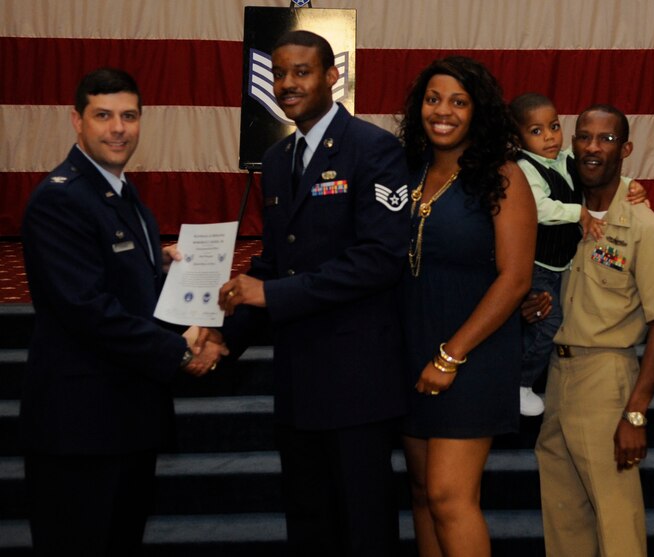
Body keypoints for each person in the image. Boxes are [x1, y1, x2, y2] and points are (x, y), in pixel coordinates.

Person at [216, 30, 409, 556]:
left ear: (332, 76)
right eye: (278, 73)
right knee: (309, 521)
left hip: (357, 378)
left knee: (364, 523)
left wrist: (273, 296)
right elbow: (275, 262)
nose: (287, 84)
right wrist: (226, 338)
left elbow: (379, 260)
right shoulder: (278, 159)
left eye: (301, 71)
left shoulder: (375, 149)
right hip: (298, 378)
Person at [20, 67, 226, 556]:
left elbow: (135, 291)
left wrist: (183, 299)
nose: (118, 128)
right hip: (78, 429)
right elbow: (86, 309)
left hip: (126, 421)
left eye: (129, 116)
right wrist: (180, 347)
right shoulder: (60, 199)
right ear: (77, 121)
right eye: (104, 116)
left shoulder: (124, 196)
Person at [398, 57, 536, 556]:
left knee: (449, 495)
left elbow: (516, 278)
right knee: (421, 495)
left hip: (471, 354)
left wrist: (450, 355)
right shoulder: (405, 171)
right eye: (434, 99)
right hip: (411, 347)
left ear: (478, 112)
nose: (444, 111)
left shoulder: (502, 178)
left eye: (459, 102)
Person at [534, 104, 654, 556]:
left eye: (607, 139)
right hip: (556, 377)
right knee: (564, 517)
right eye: (584, 137)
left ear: (625, 149)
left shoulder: (644, 227)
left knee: (617, 521)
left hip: (605, 379)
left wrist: (635, 413)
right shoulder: (560, 211)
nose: (593, 148)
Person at [509, 92, 647, 416]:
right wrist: (578, 213)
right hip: (537, 263)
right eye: (537, 131)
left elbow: (598, 171)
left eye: (554, 127)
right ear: (518, 138)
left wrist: (630, 186)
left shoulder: (565, 159)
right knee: (547, 318)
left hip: (564, 263)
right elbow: (539, 207)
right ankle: (520, 383)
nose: (549, 137)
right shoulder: (523, 168)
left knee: (554, 316)